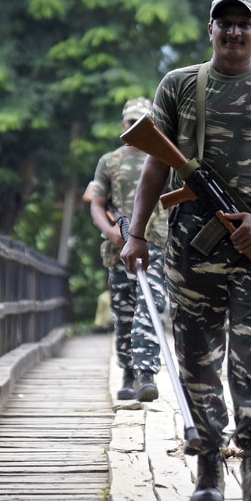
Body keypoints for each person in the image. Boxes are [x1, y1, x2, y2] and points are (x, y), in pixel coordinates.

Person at [121, 0, 251, 501]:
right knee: (197, 357)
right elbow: (156, 165)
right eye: (223, 22)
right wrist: (136, 234)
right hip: (191, 249)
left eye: (242, 23)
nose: (232, 31)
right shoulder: (181, 85)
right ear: (210, 30)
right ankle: (207, 464)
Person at [88, 97, 167, 403]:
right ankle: (127, 373)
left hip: (156, 243)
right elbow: (96, 203)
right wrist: (110, 232)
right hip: (119, 247)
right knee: (123, 313)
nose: (135, 127)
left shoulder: (163, 156)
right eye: (130, 122)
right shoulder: (109, 161)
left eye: (142, 121)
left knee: (151, 303)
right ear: (123, 126)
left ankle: (145, 373)